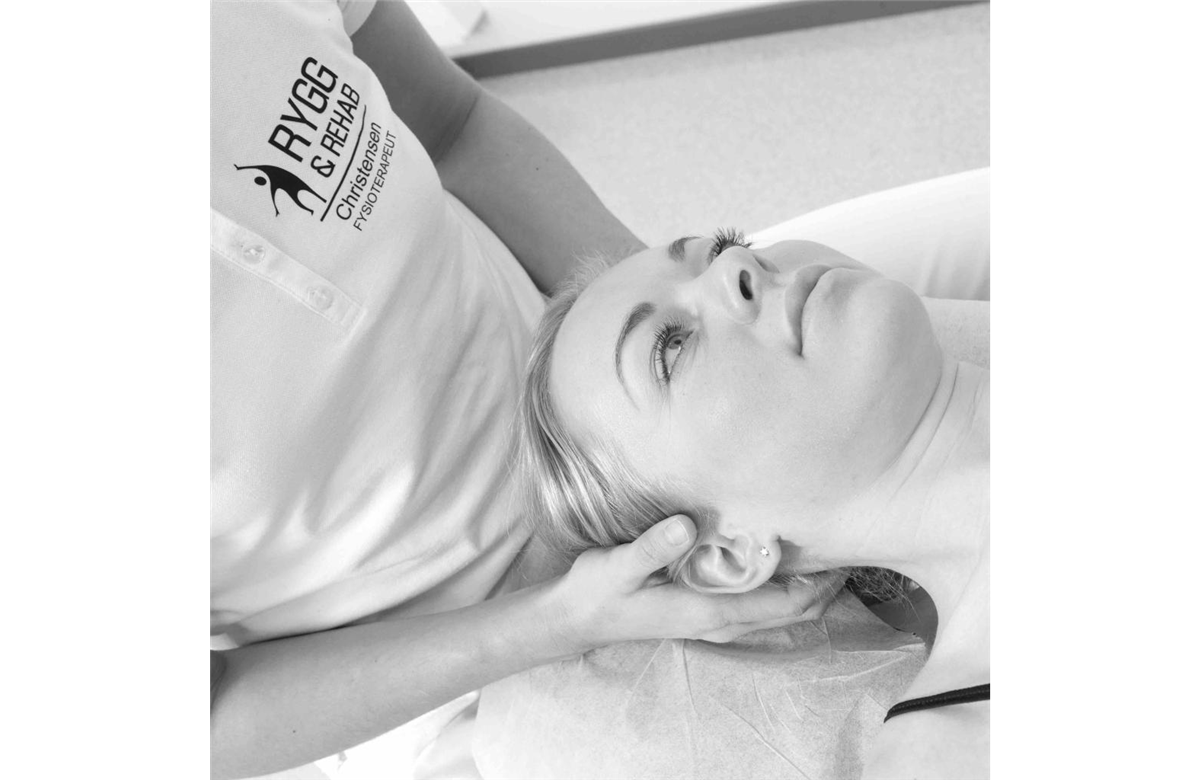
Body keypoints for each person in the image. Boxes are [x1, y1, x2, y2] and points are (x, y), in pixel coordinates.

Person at [209, 2, 837, 778]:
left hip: (647, 433)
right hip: (451, 682)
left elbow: (456, 127)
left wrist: (678, 335)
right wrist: (559, 620)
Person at [516, 231, 991, 777]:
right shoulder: (950, 755)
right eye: (671, 347)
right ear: (729, 554)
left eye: (723, 246)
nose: (737, 265)